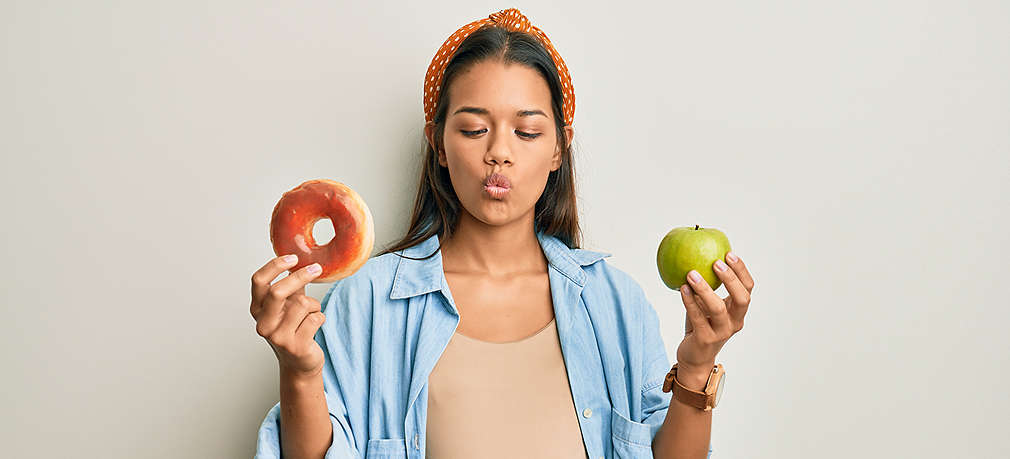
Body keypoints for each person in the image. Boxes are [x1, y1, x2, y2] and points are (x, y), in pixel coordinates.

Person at [250, 8, 754, 459]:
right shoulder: (368, 301)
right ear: (439, 145)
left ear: (559, 149)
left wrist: (695, 365)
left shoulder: (615, 302)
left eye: (527, 131)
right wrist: (300, 372)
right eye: (473, 129)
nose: (499, 152)